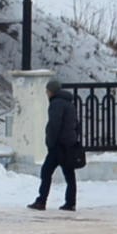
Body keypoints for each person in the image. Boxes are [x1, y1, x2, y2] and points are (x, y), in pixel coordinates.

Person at [29, 79, 83, 211]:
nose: (46, 93)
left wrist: (50, 143)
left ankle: (41, 201)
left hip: (58, 145)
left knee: (46, 172)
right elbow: (76, 124)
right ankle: (70, 203)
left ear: (51, 91)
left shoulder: (56, 104)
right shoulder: (69, 104)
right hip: (69, 144)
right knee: (69, 175)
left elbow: (54, 125)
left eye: (47, 91)